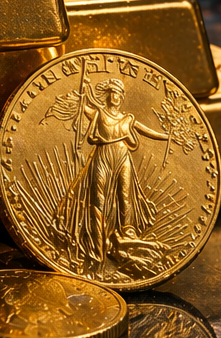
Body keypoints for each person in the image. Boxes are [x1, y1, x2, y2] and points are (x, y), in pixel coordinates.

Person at [53, 77, 172, 274]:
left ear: (122, 97)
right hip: (103, 156)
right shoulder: (99, 113)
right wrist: (82, 93)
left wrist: (168, 136)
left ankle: (127, 231)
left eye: (119, 94)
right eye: (112, 93)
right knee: (98, 200)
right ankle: (97, 241)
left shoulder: (128, 119)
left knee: (125, 196)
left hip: (123, 157)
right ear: (108, 96)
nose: (116, 97)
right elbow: (85, 114)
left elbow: (147, 131)